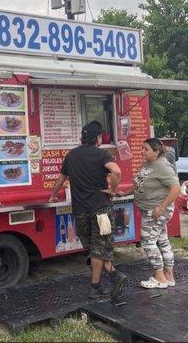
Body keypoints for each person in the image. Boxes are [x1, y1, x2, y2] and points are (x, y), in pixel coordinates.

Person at [49, 121, 128, 300]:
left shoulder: (71, 155)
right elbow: (116, 172)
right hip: (100, 209)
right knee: (98, 248)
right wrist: (113, 191)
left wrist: (53, 195)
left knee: (92, 247)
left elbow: (61, 178)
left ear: (83, 138)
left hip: (80, 210)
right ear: (98, 137)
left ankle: (105, 281)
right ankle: (104, 281)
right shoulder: (102, 155)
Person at [118, 138, 180, 289]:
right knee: (162, 241)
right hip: (150, 210)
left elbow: (176, 188)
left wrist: (162, 207)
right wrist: (124, 193)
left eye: (145, 149)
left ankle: (159, 278)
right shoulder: (148, 164)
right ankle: (168, 276)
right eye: (141, 148)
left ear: (156, 151)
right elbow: (140, 183)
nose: (142, 152)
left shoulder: (162, 165)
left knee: (148, 242)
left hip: (155, 211)